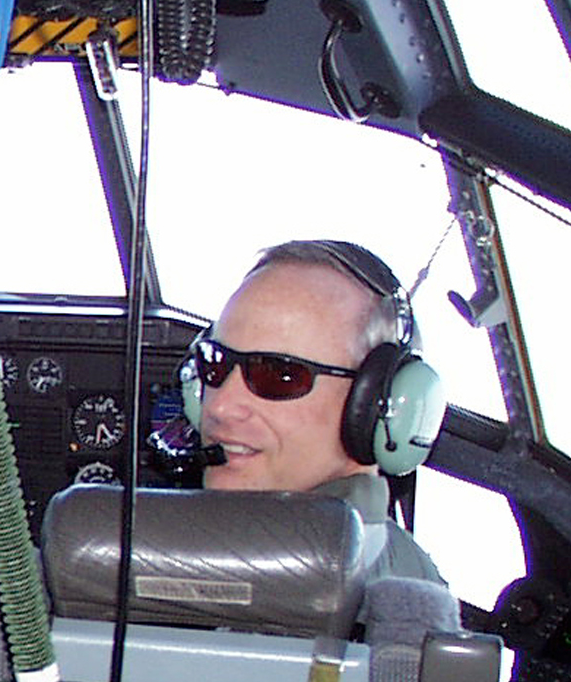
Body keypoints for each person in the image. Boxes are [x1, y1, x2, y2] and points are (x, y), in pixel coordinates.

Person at [184, 238, 446, 583]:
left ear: (374, 410)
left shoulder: (283, 584)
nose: (219, 405)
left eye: (280, 374)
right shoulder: (396, 571)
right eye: (213, 363)